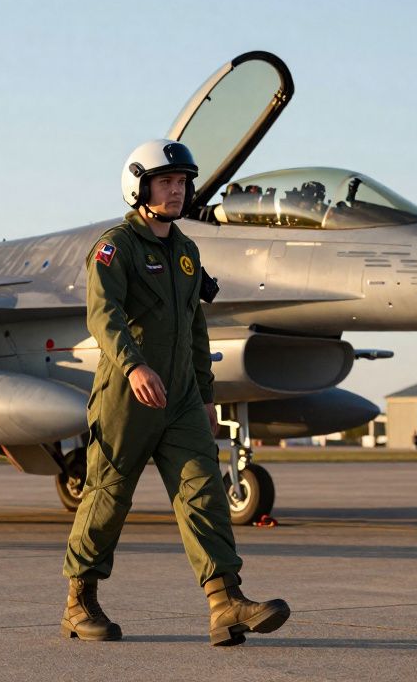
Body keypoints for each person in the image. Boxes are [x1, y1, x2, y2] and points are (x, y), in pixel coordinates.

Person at [61, 139, 289, 646]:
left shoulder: (186, 251)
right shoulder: (115, 246)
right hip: (127, 394)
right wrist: (134, 367)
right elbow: (103, 315)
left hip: (182, 396)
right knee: (108, 495)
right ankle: (79, 602)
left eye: (182, 182)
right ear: (139, 188)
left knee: (203, 492)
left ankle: (225, 602)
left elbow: (195, 327)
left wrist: (205, 395)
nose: (176, 190)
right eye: (165, 181)